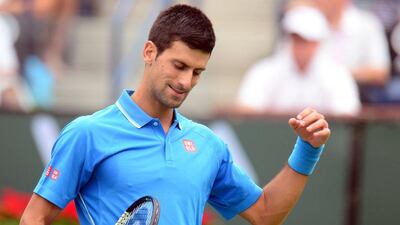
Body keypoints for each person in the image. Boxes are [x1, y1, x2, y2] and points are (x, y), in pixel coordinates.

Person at [20, 4, 331, 225]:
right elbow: (35, 217)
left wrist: (307, 149)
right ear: (149, 52)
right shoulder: (86, 133)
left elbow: (264, 214)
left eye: (197, 72)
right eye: (179, 66)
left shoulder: (208, 146)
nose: (186, 82)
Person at [236, 5, 361, 116]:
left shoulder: (337, 74)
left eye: (307, 40)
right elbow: (246, 109)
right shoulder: (265, 71)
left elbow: (346, 113)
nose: (301, 46)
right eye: (296, 39)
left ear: (317, 42)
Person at [315, 0, 391, 102]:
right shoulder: (309, 24)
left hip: (361, 96)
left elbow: (380, 73)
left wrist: (339, 74)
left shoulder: (367, 24)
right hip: (318, 95)